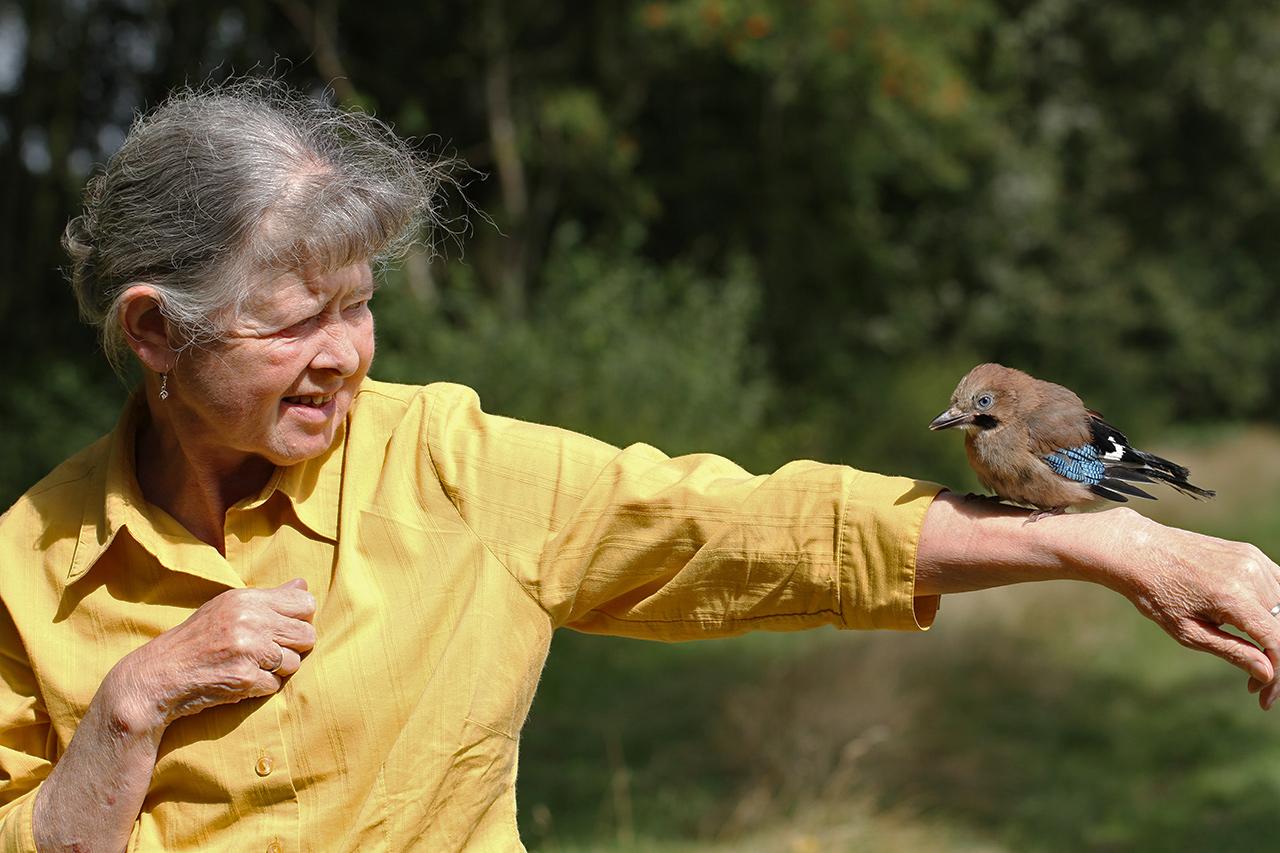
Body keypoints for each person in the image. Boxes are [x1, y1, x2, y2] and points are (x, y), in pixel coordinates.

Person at [2, 80, 1278, 853]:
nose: (349, 352)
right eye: (296, 320)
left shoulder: (449, 463)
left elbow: (751, 528)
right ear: (155, 329)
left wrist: (1106, 541)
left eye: (361, 304)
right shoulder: (25, 567)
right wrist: (130, 709)